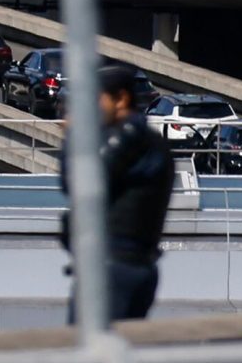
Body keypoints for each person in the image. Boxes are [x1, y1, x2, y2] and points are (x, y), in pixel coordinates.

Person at [61, 64, 174, 323]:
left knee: (90, 351)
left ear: (121, 99)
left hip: (115, 267)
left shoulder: (132, 137)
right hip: (118, 265)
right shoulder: (138, 139)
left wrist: (73, 138)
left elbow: (80, 183)